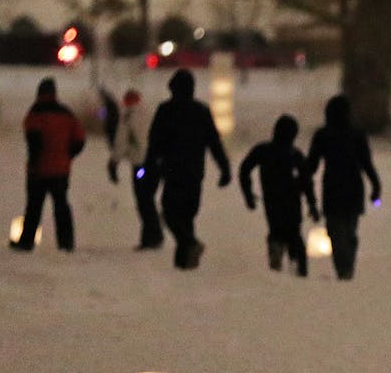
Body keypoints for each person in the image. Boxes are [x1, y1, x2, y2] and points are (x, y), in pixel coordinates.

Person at [144, 69, 232, 270]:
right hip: (194, 173)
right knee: (187, 216)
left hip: (172, 172)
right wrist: (224, 168)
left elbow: (154, 142)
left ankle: (189, 247)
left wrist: (149, 168)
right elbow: (214, 142)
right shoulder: (201, 111)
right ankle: (185, 263)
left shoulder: (165, 110)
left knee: (169, 213)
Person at [305, 94, 381, 281]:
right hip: (354, 188)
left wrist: (301, 177)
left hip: (332, 188)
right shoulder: (357, 134)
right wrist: (375, 187)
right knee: (349, 230)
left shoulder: (323, 135)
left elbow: (311, 165)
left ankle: (344, 267)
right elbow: (366, 163)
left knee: (336, 231)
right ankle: (347, 265)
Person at [240, 114, 321, 276]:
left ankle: (276, 250)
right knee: (294, 236)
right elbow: (306, 181)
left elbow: (244, 170)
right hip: (292, 201)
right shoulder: (294, 155)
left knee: (276, 230)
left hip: (271, 200)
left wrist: (248, 194)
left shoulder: (262, 151)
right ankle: (298, 270)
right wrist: (312, 204)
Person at [11, 77, 85, 252]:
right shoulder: (66, 113)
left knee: (34, 207)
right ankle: (66, 243)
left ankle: (26, 241)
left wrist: (34, 164)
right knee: (61, 207)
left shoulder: (35, 113)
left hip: (39, 169)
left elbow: (33, 142)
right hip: (61, 169)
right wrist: (67, 155)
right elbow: (80, 139)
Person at [110, 89, 163, 250]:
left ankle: (152, 238)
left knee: (143, 200)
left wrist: (113, 163)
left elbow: (121, 141)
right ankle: (153, 235)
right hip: (156, 165)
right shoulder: (151, 113)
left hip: (141, 167)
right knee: (149, 199)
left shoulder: (128, 116)